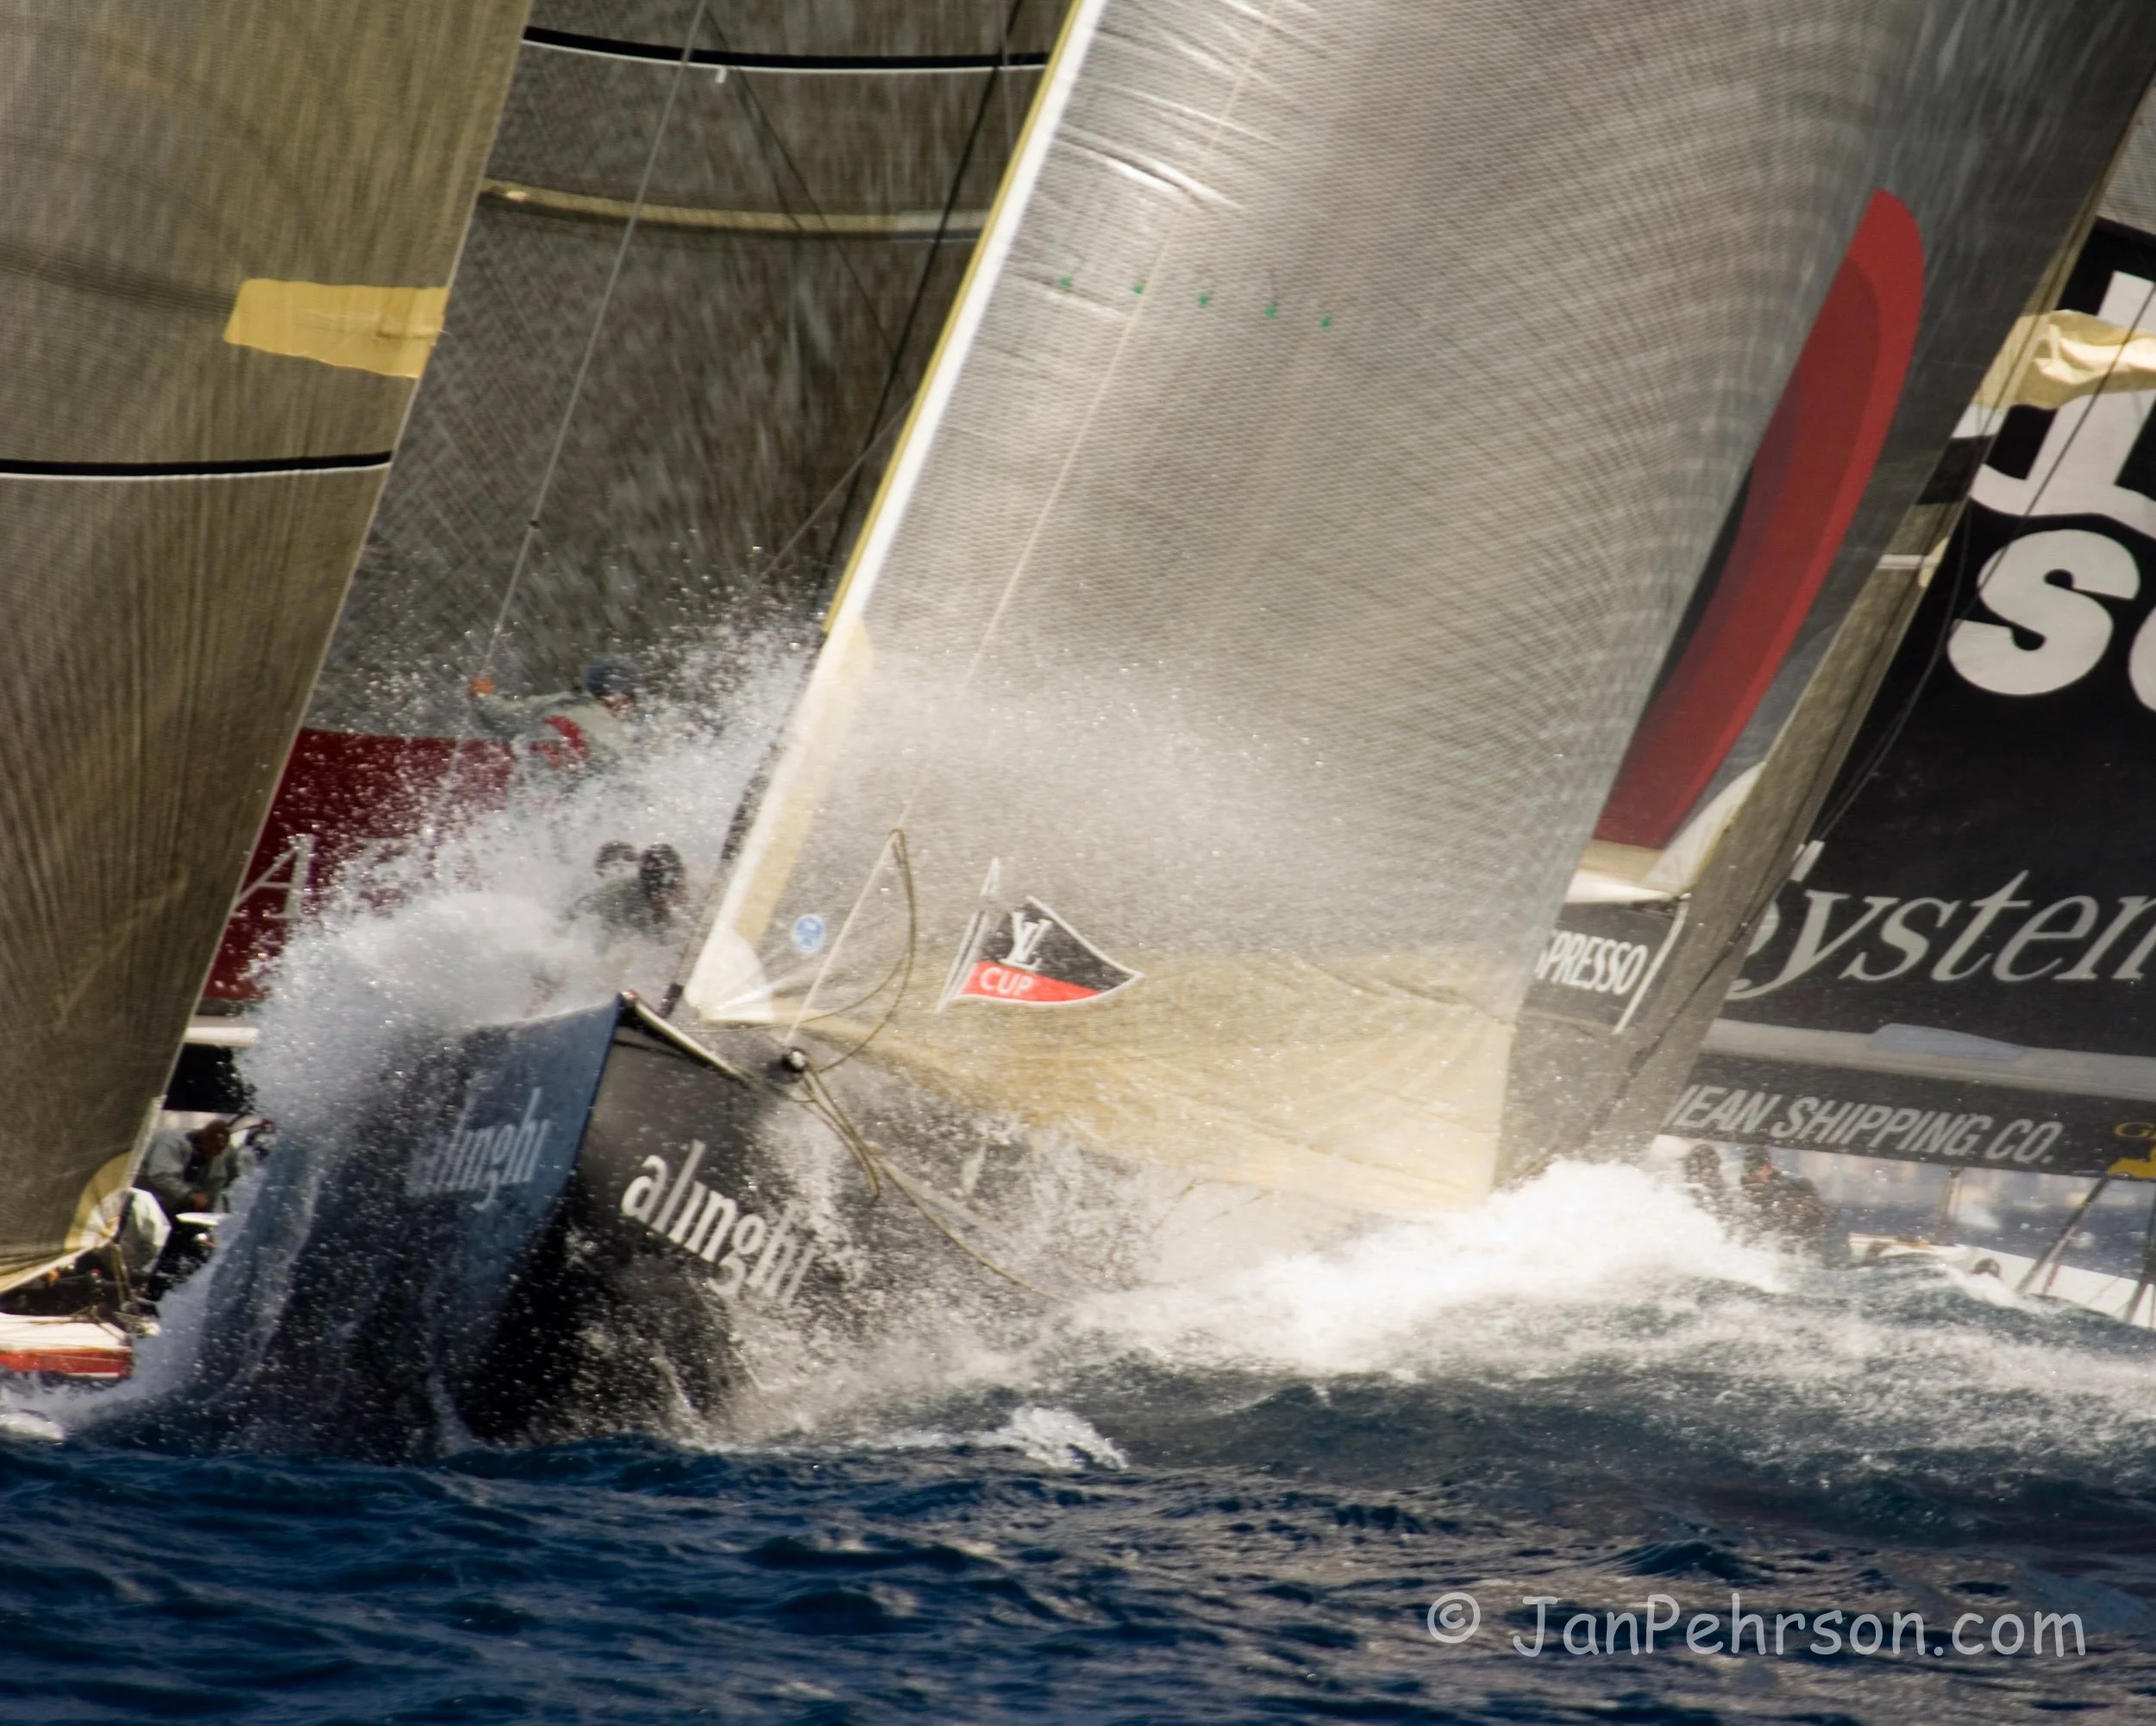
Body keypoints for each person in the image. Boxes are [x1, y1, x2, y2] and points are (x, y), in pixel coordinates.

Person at [467, 657, 639, 781]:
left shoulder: (547, 703)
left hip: (528, 807)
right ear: (621, 697)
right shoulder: (612, 733)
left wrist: (482, 696)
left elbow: (499, 716)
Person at [1735, 1148, 1844, 1263]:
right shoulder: (1749, 1190)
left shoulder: (1796, 1185)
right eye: (1749, 1170)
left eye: (1757, 1169)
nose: (1753, 1176)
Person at [572, 843, 686, 945]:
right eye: (664, 896)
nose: (673, 901)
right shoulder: (630, 908)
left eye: (674, 891)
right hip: (591, 910)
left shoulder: (683, 882)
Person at [139, 1116, 237, 1222]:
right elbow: (160, 1176)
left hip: (176, 1211)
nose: (217, 1153)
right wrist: (190, 1195)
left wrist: (207, 1209)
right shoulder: (171, 1141)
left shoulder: (217, 1156)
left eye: (220, 1150)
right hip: (145, 1202)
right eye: (214, 1148)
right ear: (204, 1139)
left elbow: (216, 1182)